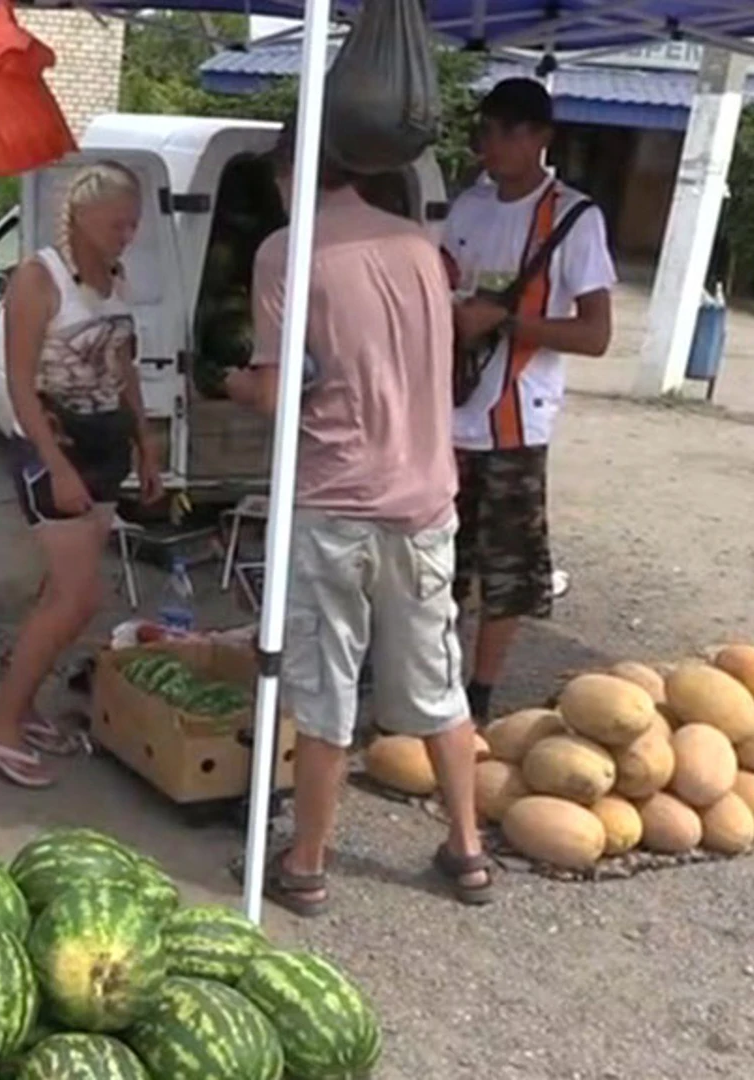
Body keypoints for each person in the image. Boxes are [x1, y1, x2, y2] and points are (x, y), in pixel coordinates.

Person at [223, 119, 491, 909]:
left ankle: (305, 864)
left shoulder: (286, 251)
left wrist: (235, 384)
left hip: (334, 501)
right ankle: (468, 850)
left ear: (289, 174)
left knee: (325, 687)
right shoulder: (419, 249)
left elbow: (276, 394)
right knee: (440, 679)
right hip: (424, 499)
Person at [0, 161, 163, 789]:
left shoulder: (115, 277)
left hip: (107, 450)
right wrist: (56, 466)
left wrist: (146, 444)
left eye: (134, 222)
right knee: (78, 598)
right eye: (117, 221)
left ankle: (21, 710)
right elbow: (19, 383)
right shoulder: (37, 277)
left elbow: (122, 365)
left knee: (59, 594)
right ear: (81, 215)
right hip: (55, 450)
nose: (127, 232)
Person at [443, 78, 616, 722]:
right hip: (450, 413)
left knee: (508, 569)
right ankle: (432, 680)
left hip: (518, 420)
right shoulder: (468, 208)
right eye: (487, 129)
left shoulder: (573, 216)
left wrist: (506, 324)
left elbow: (596, 334)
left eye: (509, 131)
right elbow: (439, 282)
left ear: (541, 138)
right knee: (439, 562)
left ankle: (481, 692)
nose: (493, 143)